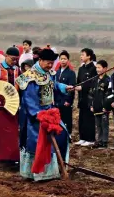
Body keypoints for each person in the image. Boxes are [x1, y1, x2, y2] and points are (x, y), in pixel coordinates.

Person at [17, 48, 73, 181]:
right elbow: (29, 99)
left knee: (62, 134)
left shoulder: (49, 73)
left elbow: (53, 84)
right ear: (40, 60)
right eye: (48, 63)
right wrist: (39, 115)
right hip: (35, 116)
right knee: (40, 141)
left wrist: (64, 87)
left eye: (52, 63)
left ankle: (58, 167)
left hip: (50, 111)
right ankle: (40, 173)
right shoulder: (30, 77)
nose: (50, 66)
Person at [75, 48, 97, 147]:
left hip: (90, 97)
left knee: (89, 118)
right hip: (82, 97)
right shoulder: (81, 68)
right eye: (81, 54)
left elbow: (93, 83)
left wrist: (83, 87)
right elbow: (78, 81)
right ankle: (82, 137)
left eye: (83, 54)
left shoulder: (94, 68)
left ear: (89, 56)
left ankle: (90, 139)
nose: (81, 56)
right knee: (82, 118)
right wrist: (76, 87)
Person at [89, 60, 111, 150]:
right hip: (96, 106)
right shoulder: (94, 79)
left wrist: (106, 106)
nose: (97, 69)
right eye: (96, 67)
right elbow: (91, 94)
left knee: (104, 124)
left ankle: (104, 142)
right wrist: (91, 105)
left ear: (105, 68)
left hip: (104, 107)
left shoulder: (108, 80)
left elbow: (108, 95)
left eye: (99, 67)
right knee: (98, 125)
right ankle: (98, 141)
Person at [54, 51, 76, 135]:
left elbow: (72, 88)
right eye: (61, 59)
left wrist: (69, 100)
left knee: (66, 118)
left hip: (65, 100)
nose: (63, 61)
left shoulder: (71, 73)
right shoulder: (56, 72)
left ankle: (68, 134)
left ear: (68, 60)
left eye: (65, 59)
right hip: (57, 100)